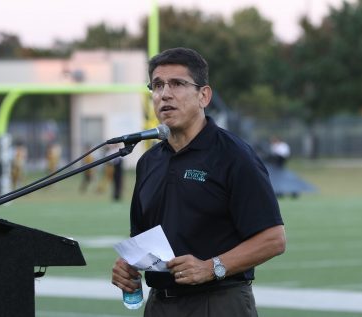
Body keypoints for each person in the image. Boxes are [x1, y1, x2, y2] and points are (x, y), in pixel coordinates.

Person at [111, 47, 286, 317]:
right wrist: (129, 265)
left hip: (218, 301)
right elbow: (143, 239)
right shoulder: (149, 161)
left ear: (204, 95)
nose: (165, 94)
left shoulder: (233, 156)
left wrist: (211, 267)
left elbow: (273, 239)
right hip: (159, 304)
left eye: (178, 84)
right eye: (157, 85)